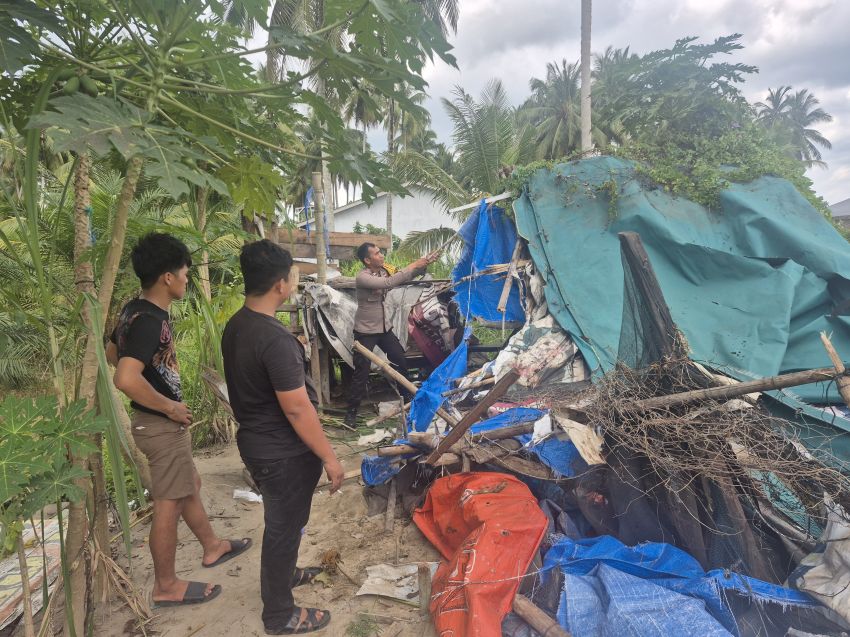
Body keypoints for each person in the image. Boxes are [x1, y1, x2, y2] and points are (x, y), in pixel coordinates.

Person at [108, 233, 250, 609]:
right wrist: (168, 407)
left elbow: (112, 352)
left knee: (189, 485)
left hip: (153, 422)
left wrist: (150, 379)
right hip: (159, 425)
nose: (187, 279)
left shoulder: (132, 310)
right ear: (168, 277)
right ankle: (166, 585)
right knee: (168, 502)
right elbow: (124, 378)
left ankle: (212, 546)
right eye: (185, 272)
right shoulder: (149, 321)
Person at [221, 239, 345, 635]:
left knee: (284, 522)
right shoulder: (273, 338)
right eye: (292, 276)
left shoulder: (238, 325)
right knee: (283, 528)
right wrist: (330, 457)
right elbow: (297, 409)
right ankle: (279, 614)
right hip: (281, 454)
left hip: (258, 445)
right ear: (280, 284)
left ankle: (286, 574)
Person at [344, 243, 439, 427]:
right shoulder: (363, 277)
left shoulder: (383, 271)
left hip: (384, 329)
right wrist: (414, 264)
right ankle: (351, 414)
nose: (381, 255)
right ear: (367, 260)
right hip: (365, 331)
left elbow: (402, 278)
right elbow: (389, 283)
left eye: (380, 252)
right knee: (361, 373)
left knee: (399, 360)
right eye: (377, 253)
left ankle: (409, 399)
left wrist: (423, 264)